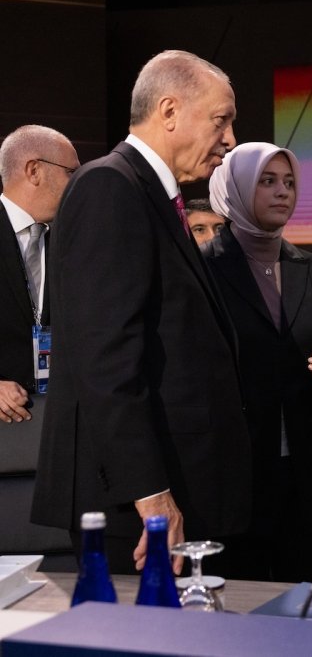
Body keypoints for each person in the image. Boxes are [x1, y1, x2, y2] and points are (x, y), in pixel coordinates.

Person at [31, 50, 252, 575]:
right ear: (169, 111)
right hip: (134, 508)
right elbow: (105, 359)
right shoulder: (110, 188)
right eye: (221, 120)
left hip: (169, 492)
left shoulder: (151, 194)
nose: (230, 140)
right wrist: (150, 495)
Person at [203, 141, 312, 582]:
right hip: (235, 466)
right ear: (237, 189)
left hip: (304, 465)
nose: (283, 192)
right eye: (267, 181)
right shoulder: (203, 267)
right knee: (241, 603)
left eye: (289, 182)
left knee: (310, 598)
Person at [0, 125, 79, 423]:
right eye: (72, 173)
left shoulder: (72, 241)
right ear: (34, 171)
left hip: (57, 422)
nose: (78, 185)